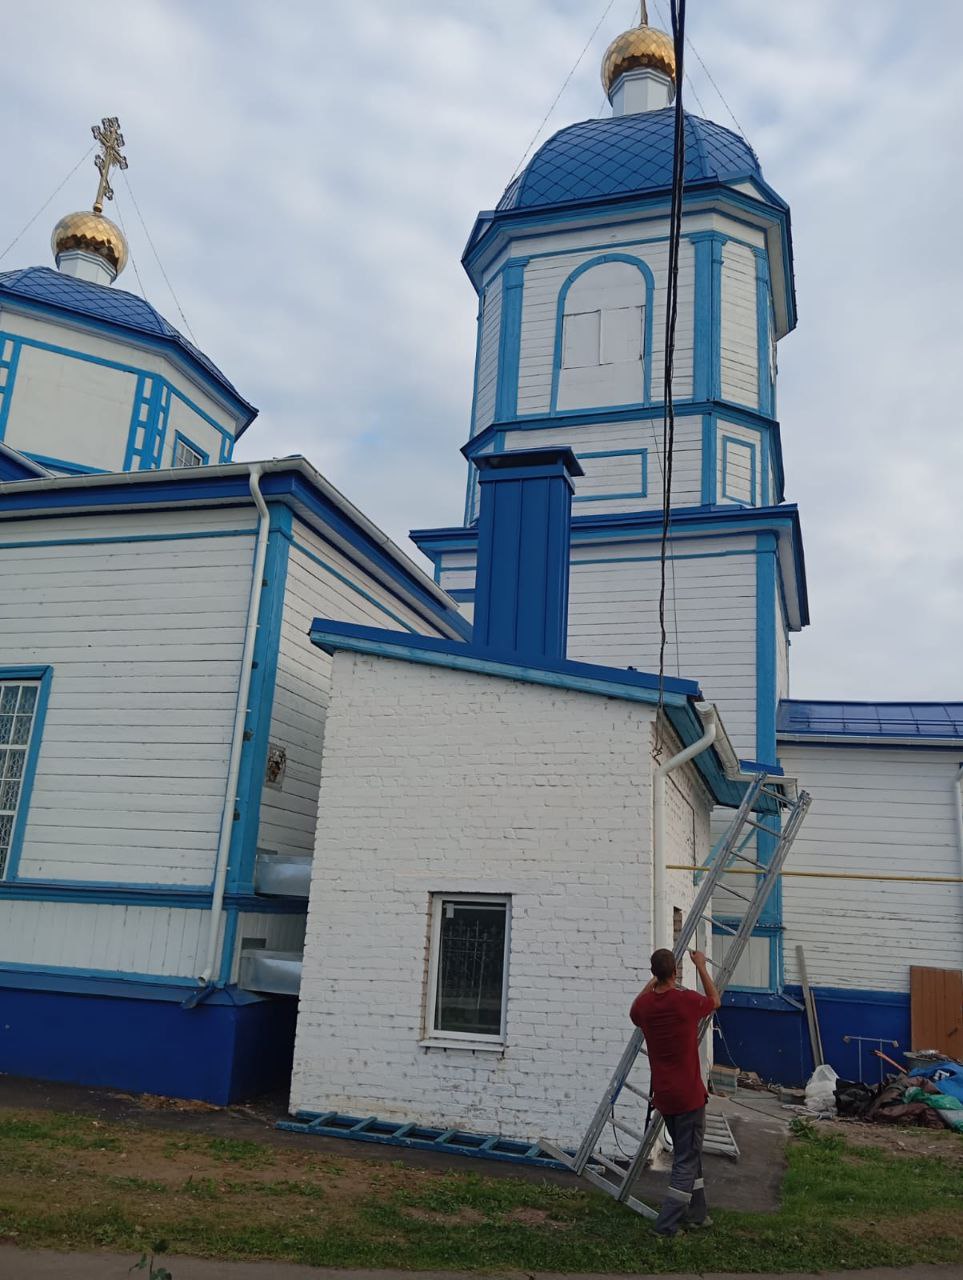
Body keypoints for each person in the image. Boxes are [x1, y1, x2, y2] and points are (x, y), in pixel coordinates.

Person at [629, 947, 721, 1237]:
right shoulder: (685, 1001)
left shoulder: (645, 1007)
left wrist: (653, 981)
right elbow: (715, 1000)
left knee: (688, 1154)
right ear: (675, 972)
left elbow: (635, 1008)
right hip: (689, 1097)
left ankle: (698, 1214)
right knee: (685, 1161)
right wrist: (701, 965)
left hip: (665, 1096)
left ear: (653, 973)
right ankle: (666, 1225)